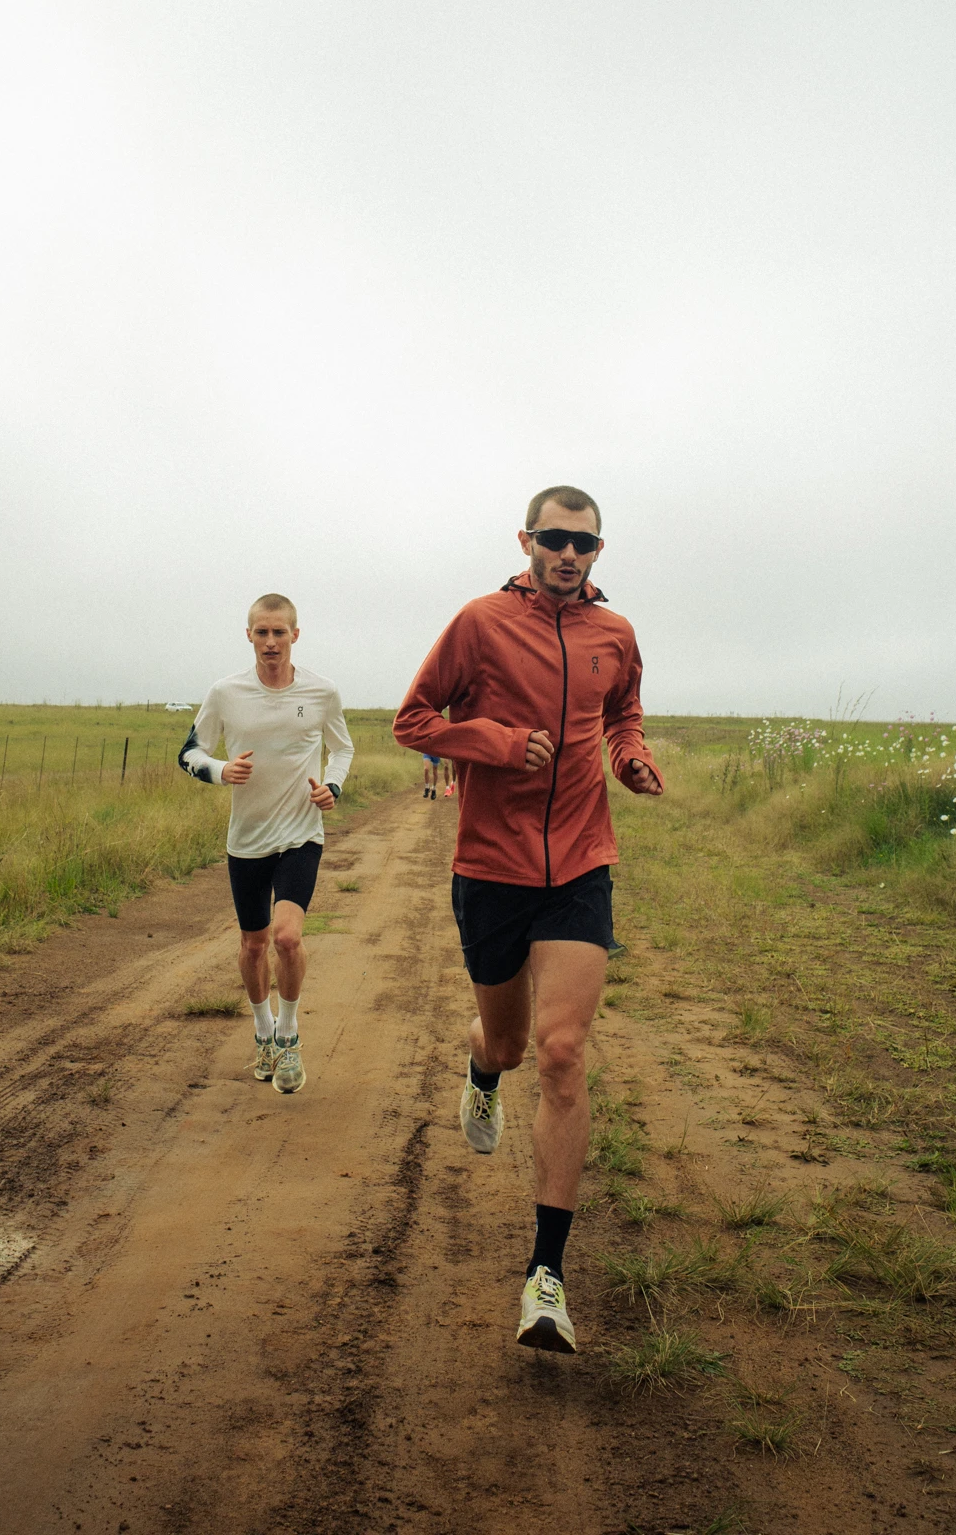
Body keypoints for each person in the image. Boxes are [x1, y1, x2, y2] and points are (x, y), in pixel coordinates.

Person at [394, 488, 663, 1353]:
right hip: (491, 869)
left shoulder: (614, 634)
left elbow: (622, 712)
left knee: (562, 1051)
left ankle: (546, 1278)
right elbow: (413, 722)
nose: (569, 554)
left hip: (581, 863)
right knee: (510, 1045)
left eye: (584, 543)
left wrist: (629, 756)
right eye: (554, 538)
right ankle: (481, 1067)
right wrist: (502, 745)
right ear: (527, 540)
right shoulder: (480, 623)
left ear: (598, 550)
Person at [179, 594, 354, 1094]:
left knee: (287, 938)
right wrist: (220, 770)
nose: (271, 641)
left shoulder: (322, 691)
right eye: (262, 632)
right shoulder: (225, 692)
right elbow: (189, 752)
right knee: (253, 945)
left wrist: (332, 786)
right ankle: (263, 1032)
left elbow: (342, 748)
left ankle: (289, 1034)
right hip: (247, 840)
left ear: (295, 635)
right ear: (249, 635)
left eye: (280, 632)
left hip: (301, 834)